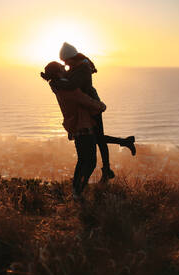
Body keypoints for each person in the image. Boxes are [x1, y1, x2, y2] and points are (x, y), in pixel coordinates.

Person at [55, 42, 136, 183]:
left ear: (72, 57)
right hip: (88, 105)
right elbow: (69, 80)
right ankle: (118, 151)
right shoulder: (78, 66)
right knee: (98, 138)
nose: (65, 64)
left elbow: (71, 84)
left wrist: (54, 82)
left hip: (93, 105)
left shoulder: (82, 68)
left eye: (66, 61)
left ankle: (107, 169)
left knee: (98, 138)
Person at [41, 61, 106, 199]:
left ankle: (76, 191)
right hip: (83, 126)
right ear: (58, 72)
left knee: (82, 160)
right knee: (90, 162)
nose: (66, 69)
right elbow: (86, 101)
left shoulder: (59, 86)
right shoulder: (68, 89)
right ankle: (78, 191)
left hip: (77, 126)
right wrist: (101, 105)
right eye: (62, 68)